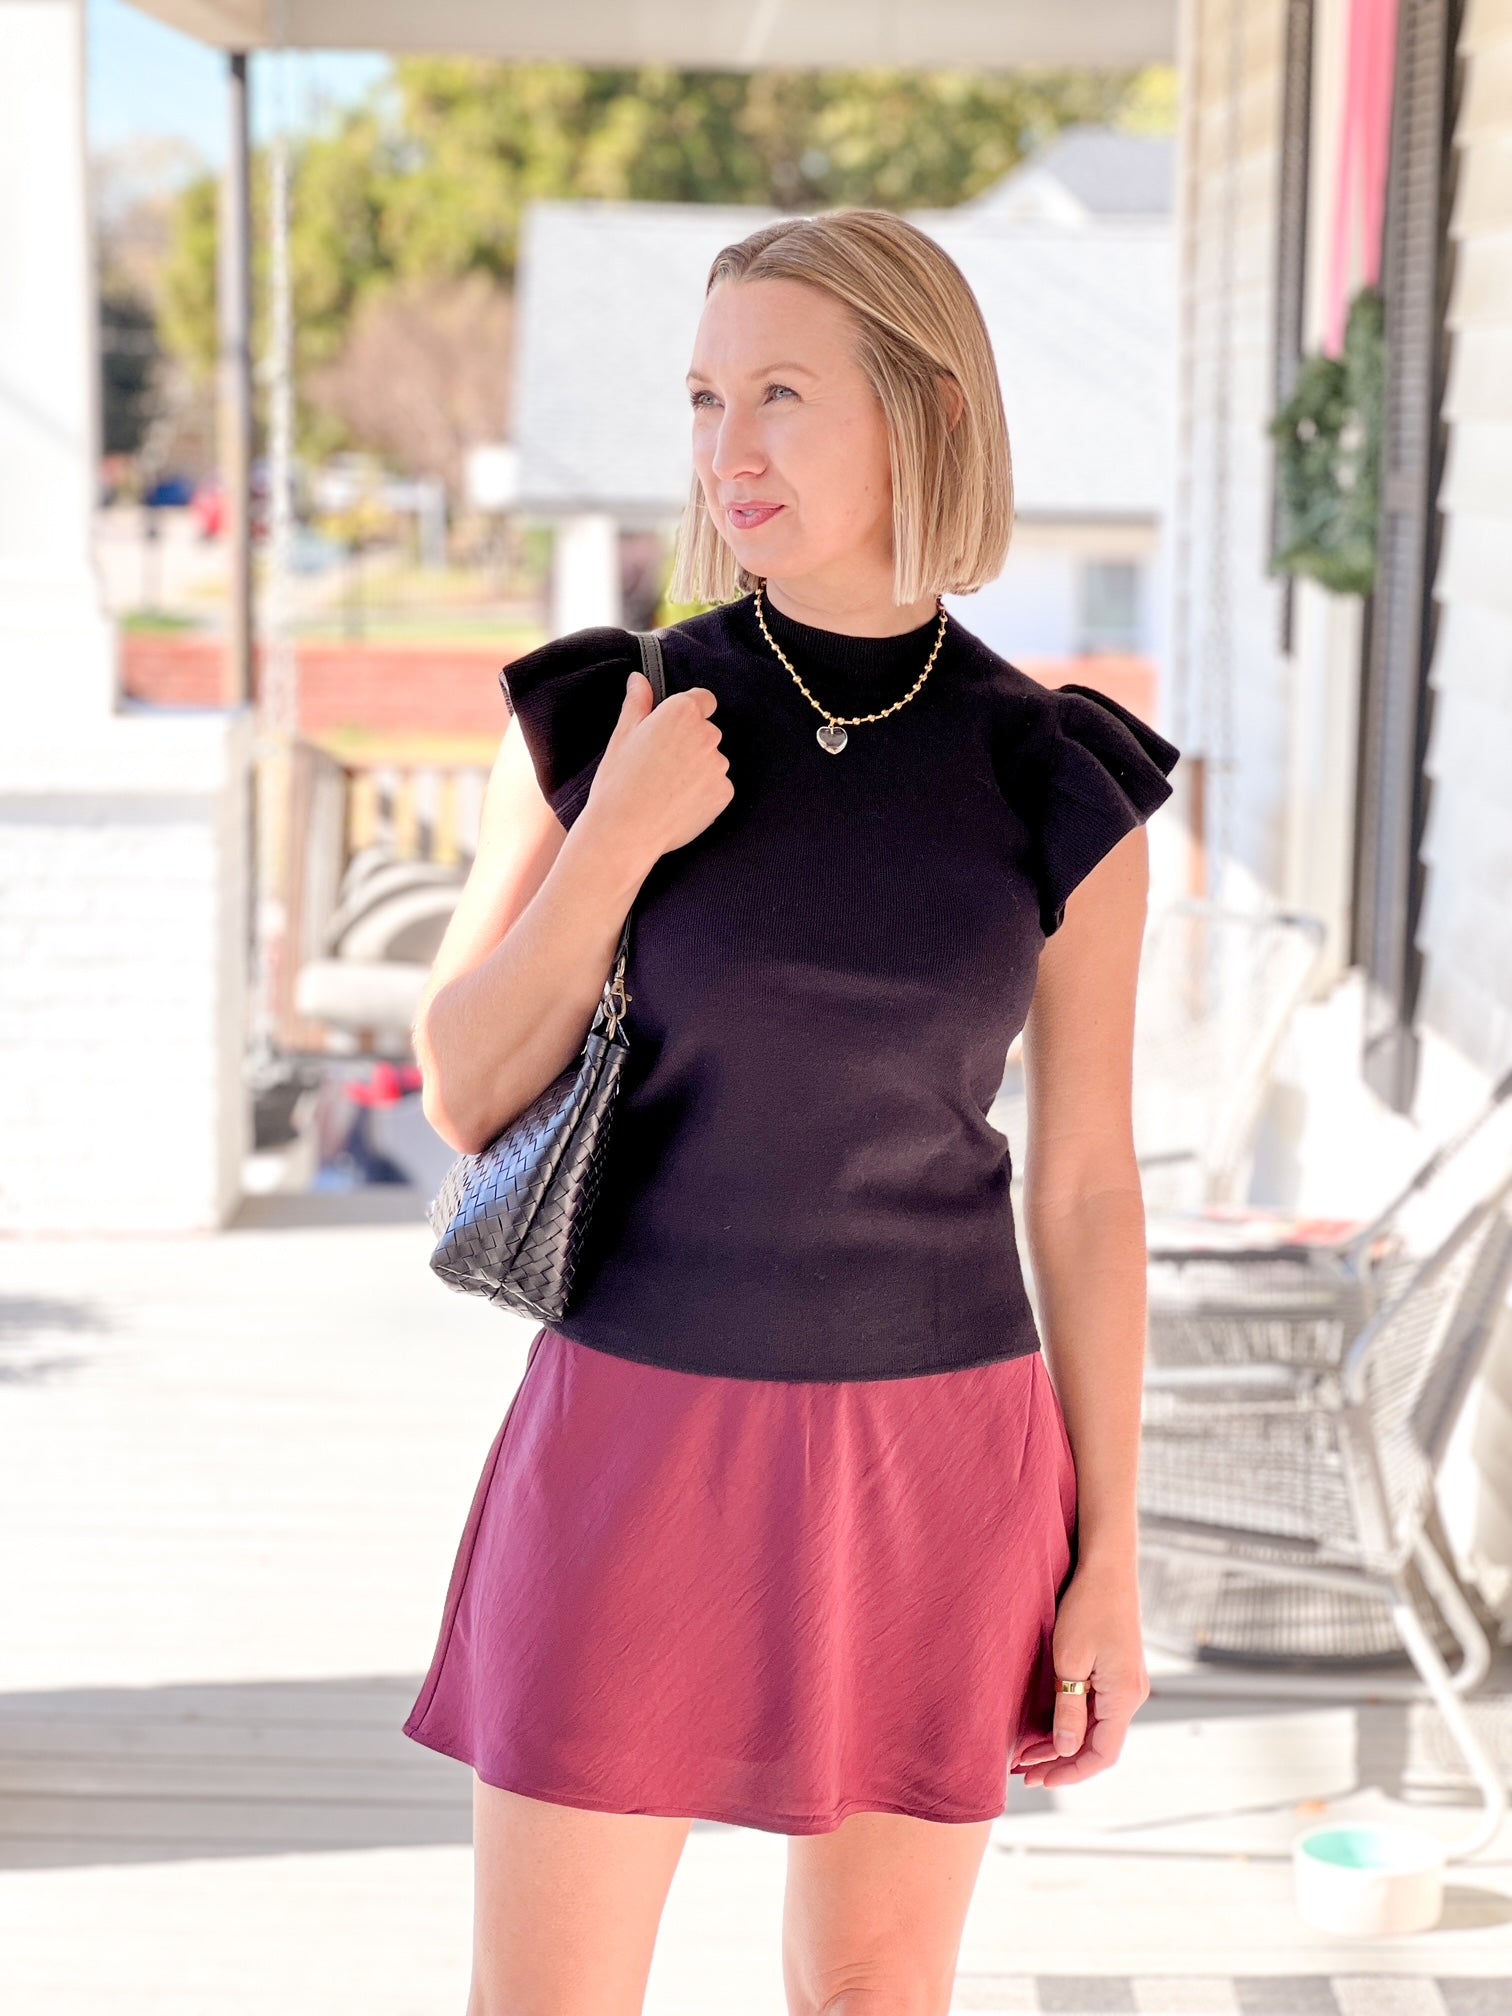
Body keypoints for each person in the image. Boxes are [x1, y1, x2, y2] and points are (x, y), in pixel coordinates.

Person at [403, 208, 1181, 2016]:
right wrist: (613, 840)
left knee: (873, 1995)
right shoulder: (614, 711)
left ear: (917, 409)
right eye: (700, 398)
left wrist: (1112, 1560)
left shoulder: (1053, 775)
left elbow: (1082, 1190)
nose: (726, 450)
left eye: (778, 394)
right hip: (634, 1433)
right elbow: (461, 1082)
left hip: (941, 1459)